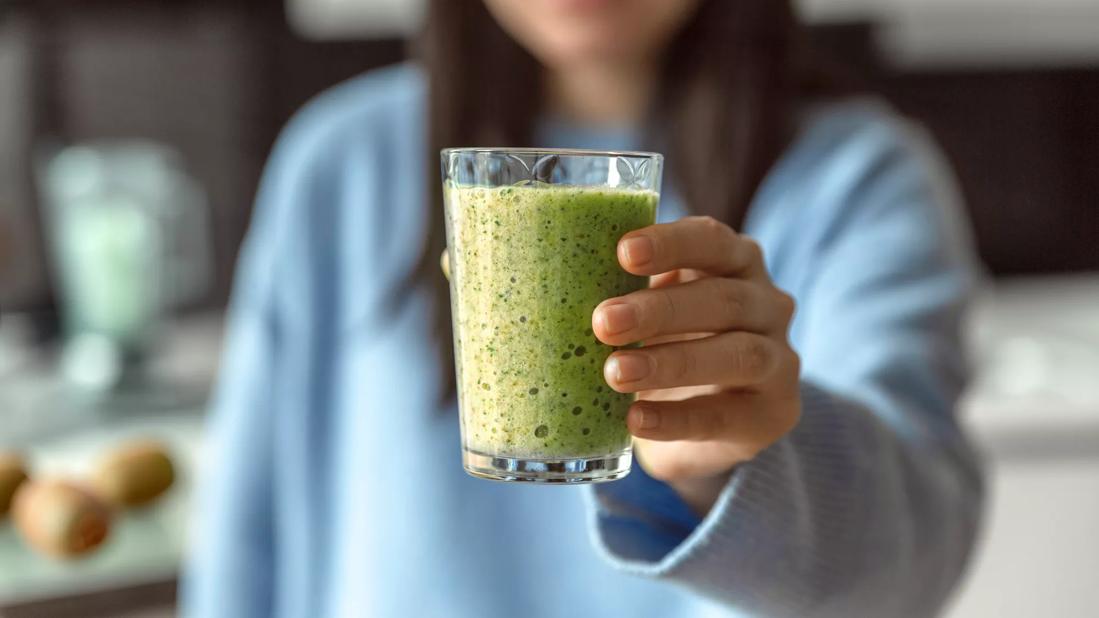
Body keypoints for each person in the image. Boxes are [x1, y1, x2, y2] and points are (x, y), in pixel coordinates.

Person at [182, 0, 984, 616]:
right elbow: (246, 523)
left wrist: (735, 460)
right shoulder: (342, 163)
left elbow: (914, 552)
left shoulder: (855, 178)